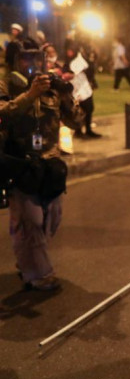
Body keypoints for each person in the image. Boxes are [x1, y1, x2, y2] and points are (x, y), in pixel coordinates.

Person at [0, 38, 84, 290]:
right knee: (31, 221)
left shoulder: (51, 85)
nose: (33, 64)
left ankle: (27, 258)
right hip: (21, 163)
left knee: (51, 218)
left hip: (50, 163)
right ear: (15, 60)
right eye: (26, 58)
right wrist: (30, 95)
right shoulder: (5, 84)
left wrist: (67, 93)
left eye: (37, 58)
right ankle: (39, 275)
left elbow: (75, 121)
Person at [63, 45, 100, 139]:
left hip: (84, 88)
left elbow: (87, 71)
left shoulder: (81, 59)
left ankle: (87, 129)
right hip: (75, 89)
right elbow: (68, 74)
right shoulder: (68, 61)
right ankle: (78, 131)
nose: (69, 52)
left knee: (89, 109)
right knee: (77, 111)